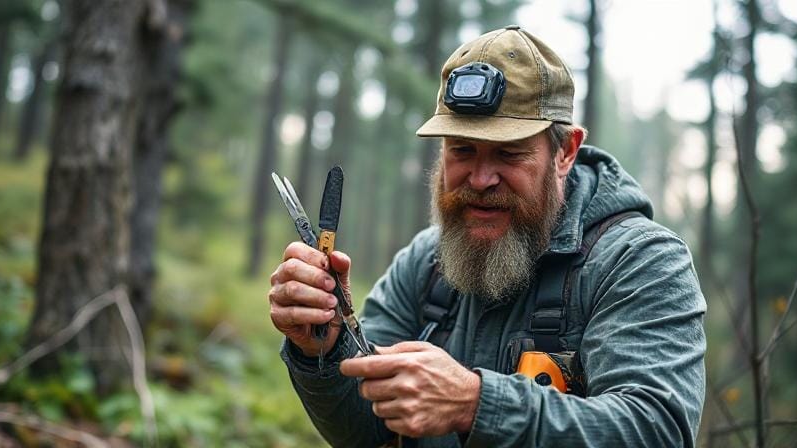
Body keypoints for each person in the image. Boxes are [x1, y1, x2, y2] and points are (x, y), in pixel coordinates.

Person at [268, 25, 706, 447]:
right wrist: (320, 347)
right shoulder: (425, 263)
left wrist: (478, 405)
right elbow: (364, 431)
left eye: (508, 153)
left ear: (566, 152)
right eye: (461, 150)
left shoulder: (642, 262)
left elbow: (656, 430)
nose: (480, 178)